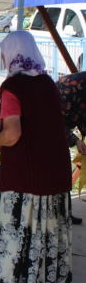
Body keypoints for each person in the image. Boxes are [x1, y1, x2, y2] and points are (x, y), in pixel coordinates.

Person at [0, 31, 72, 283]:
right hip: (55, 170)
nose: (1, 59)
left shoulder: (12, 87)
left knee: (21, 232)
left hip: (26, 173)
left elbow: (12, 133)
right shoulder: (48, 83)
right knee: (51, 229)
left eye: (3, 53)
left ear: (11, 54)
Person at [56, 71, 86, 225]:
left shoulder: (82, 88)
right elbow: (54, 120)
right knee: (57, 174)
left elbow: (83, 114)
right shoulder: (67, 88)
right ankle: (58, 215)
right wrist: (75, 140)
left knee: (64, 174)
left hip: (63, 131)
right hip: (50, 135)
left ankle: (65, 212)